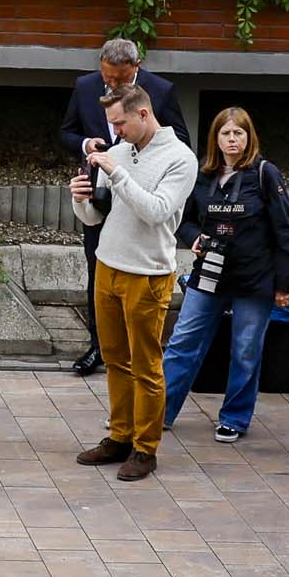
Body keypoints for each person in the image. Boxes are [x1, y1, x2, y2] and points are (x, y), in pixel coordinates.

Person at [70, 84, 194, 482]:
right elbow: (96, 218)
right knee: (114, 361)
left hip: (148, 273)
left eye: (119, 123)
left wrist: (116, 172)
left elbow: (156, 212)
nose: (114, 133)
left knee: (146, 366)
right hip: (108, 265)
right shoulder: (120, 152)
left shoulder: (180, 159)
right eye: (111, 125)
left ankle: (146, 448)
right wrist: (79, 198)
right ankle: (119, 437)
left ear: (143, 114)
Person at [162, 107, 289, 443]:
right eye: (226, 133)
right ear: (216, 138)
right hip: (209, 273)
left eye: (239, 133)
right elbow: (183, 217)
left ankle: (235, 418)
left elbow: (286, 231)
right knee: (182, 342)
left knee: (245, 350)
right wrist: (193, 237)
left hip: (254, 280)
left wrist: (284, 284)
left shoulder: (265, 174)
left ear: (249, 137)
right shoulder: (203, 174)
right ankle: (159, 410)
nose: (232, 139)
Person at [57, 40, 183, 377]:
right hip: (100, 190)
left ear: (136, 67)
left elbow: (179, 139)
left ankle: (131, 350)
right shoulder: (85, 87)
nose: (112, 83)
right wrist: (86, 145)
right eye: (107, 77)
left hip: (142, 196)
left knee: (134, 286)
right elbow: (66, 132)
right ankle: (99, 345)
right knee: (96, 269)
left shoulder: (161, 90)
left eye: (119, 78)